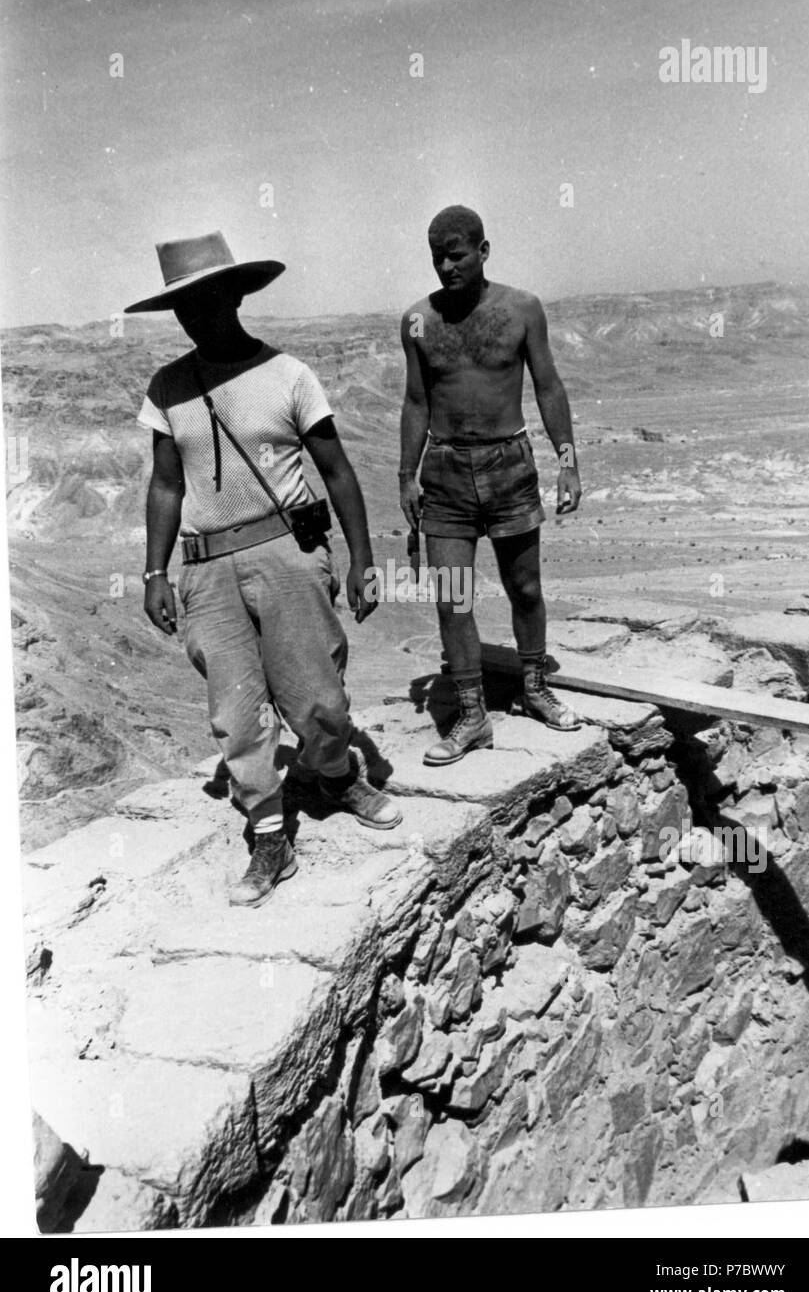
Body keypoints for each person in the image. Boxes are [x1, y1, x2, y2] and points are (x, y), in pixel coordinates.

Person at [128, 230, 401, 908]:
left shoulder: (288, 375)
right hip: (206, 571)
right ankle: (270, 833)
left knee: (316, 692)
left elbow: (335, 469)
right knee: (235, 711)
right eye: (183, 304)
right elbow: (165, 486)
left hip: (288, 553)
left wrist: (364, 558)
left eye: (207, 297)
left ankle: (336, 777)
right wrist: (153, 573)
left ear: (234, 293)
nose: (197, 312)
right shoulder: (168, 387)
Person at [399, 205, 583, 767]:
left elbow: (548, 384)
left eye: (456, 254)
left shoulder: (523, 309)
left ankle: (533, 684)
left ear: (483, 250)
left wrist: (567, 458)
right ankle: (472, 715)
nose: (446, 266)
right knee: (453, 597)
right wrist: (406, 474)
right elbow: (416, 401)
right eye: (437, 256)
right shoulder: (417, 321)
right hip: (446, 472)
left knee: (525, 587)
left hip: (509, 465)